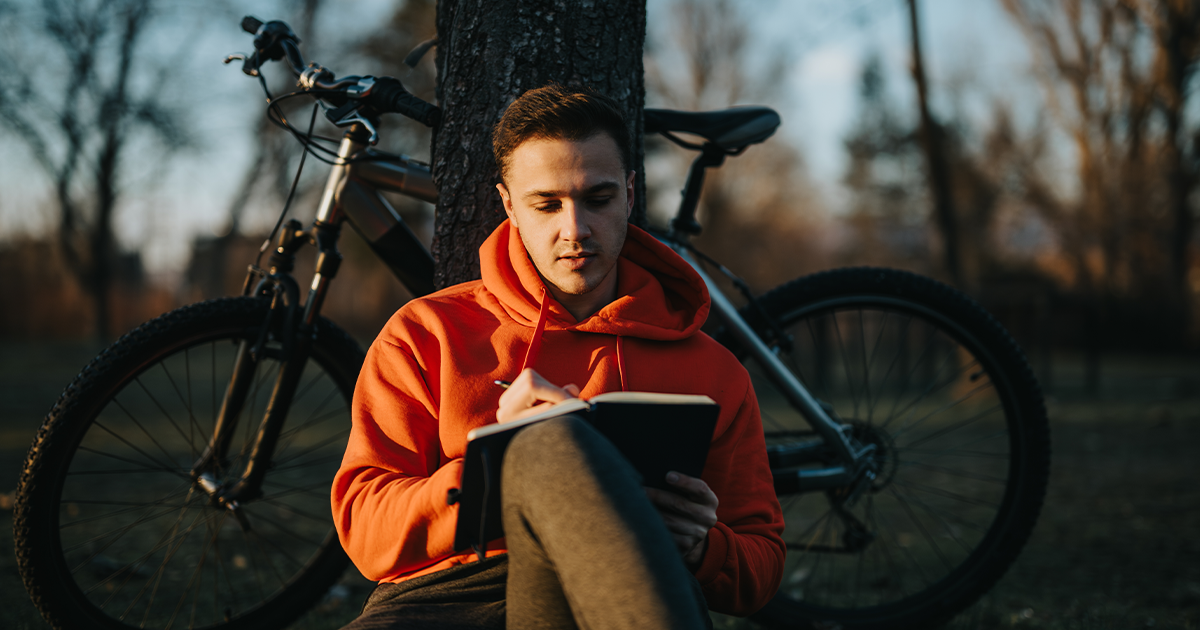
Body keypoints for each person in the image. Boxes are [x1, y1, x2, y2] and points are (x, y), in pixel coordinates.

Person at [332, 84, 784, 629]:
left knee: (552, 442)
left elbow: (759, 572)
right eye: (546, 204)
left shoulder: (711, 369)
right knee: (543, 444)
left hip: (617, 588)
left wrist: (701, 546)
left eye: (598, 199)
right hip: (448, 596)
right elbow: (365, 529)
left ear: (630, 193)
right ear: (508, 206)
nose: (575, 231)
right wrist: (494, 469)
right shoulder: (425, 333)